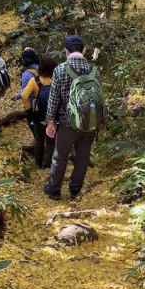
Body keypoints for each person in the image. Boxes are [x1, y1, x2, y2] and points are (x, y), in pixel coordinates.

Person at [44, 35, 102, 200]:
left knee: (60, 157)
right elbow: (98, 97)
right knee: (83, 157)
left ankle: (54, 189)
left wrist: (50, 122)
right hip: (89, 121)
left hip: (67, 122)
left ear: (66, 51)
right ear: (83, 50)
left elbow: (54, 99)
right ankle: (75, 190)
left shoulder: (61, 69)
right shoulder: (94, 70)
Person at [21, 55, 57, 168]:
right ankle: (48, 164)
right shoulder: (56, 80)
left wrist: (29, 110)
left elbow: (24, 96)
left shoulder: (34, 81)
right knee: (51, 141)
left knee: (39, 139)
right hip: (53, 115)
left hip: (38, 115)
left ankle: (38, 163)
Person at [12, 48, 40, 136]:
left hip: (31, 105)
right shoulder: (41, 68)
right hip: (43, 102)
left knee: (35, 128)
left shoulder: (27, 74)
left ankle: (39, 146)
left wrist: (17, 96)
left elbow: (25, 93)